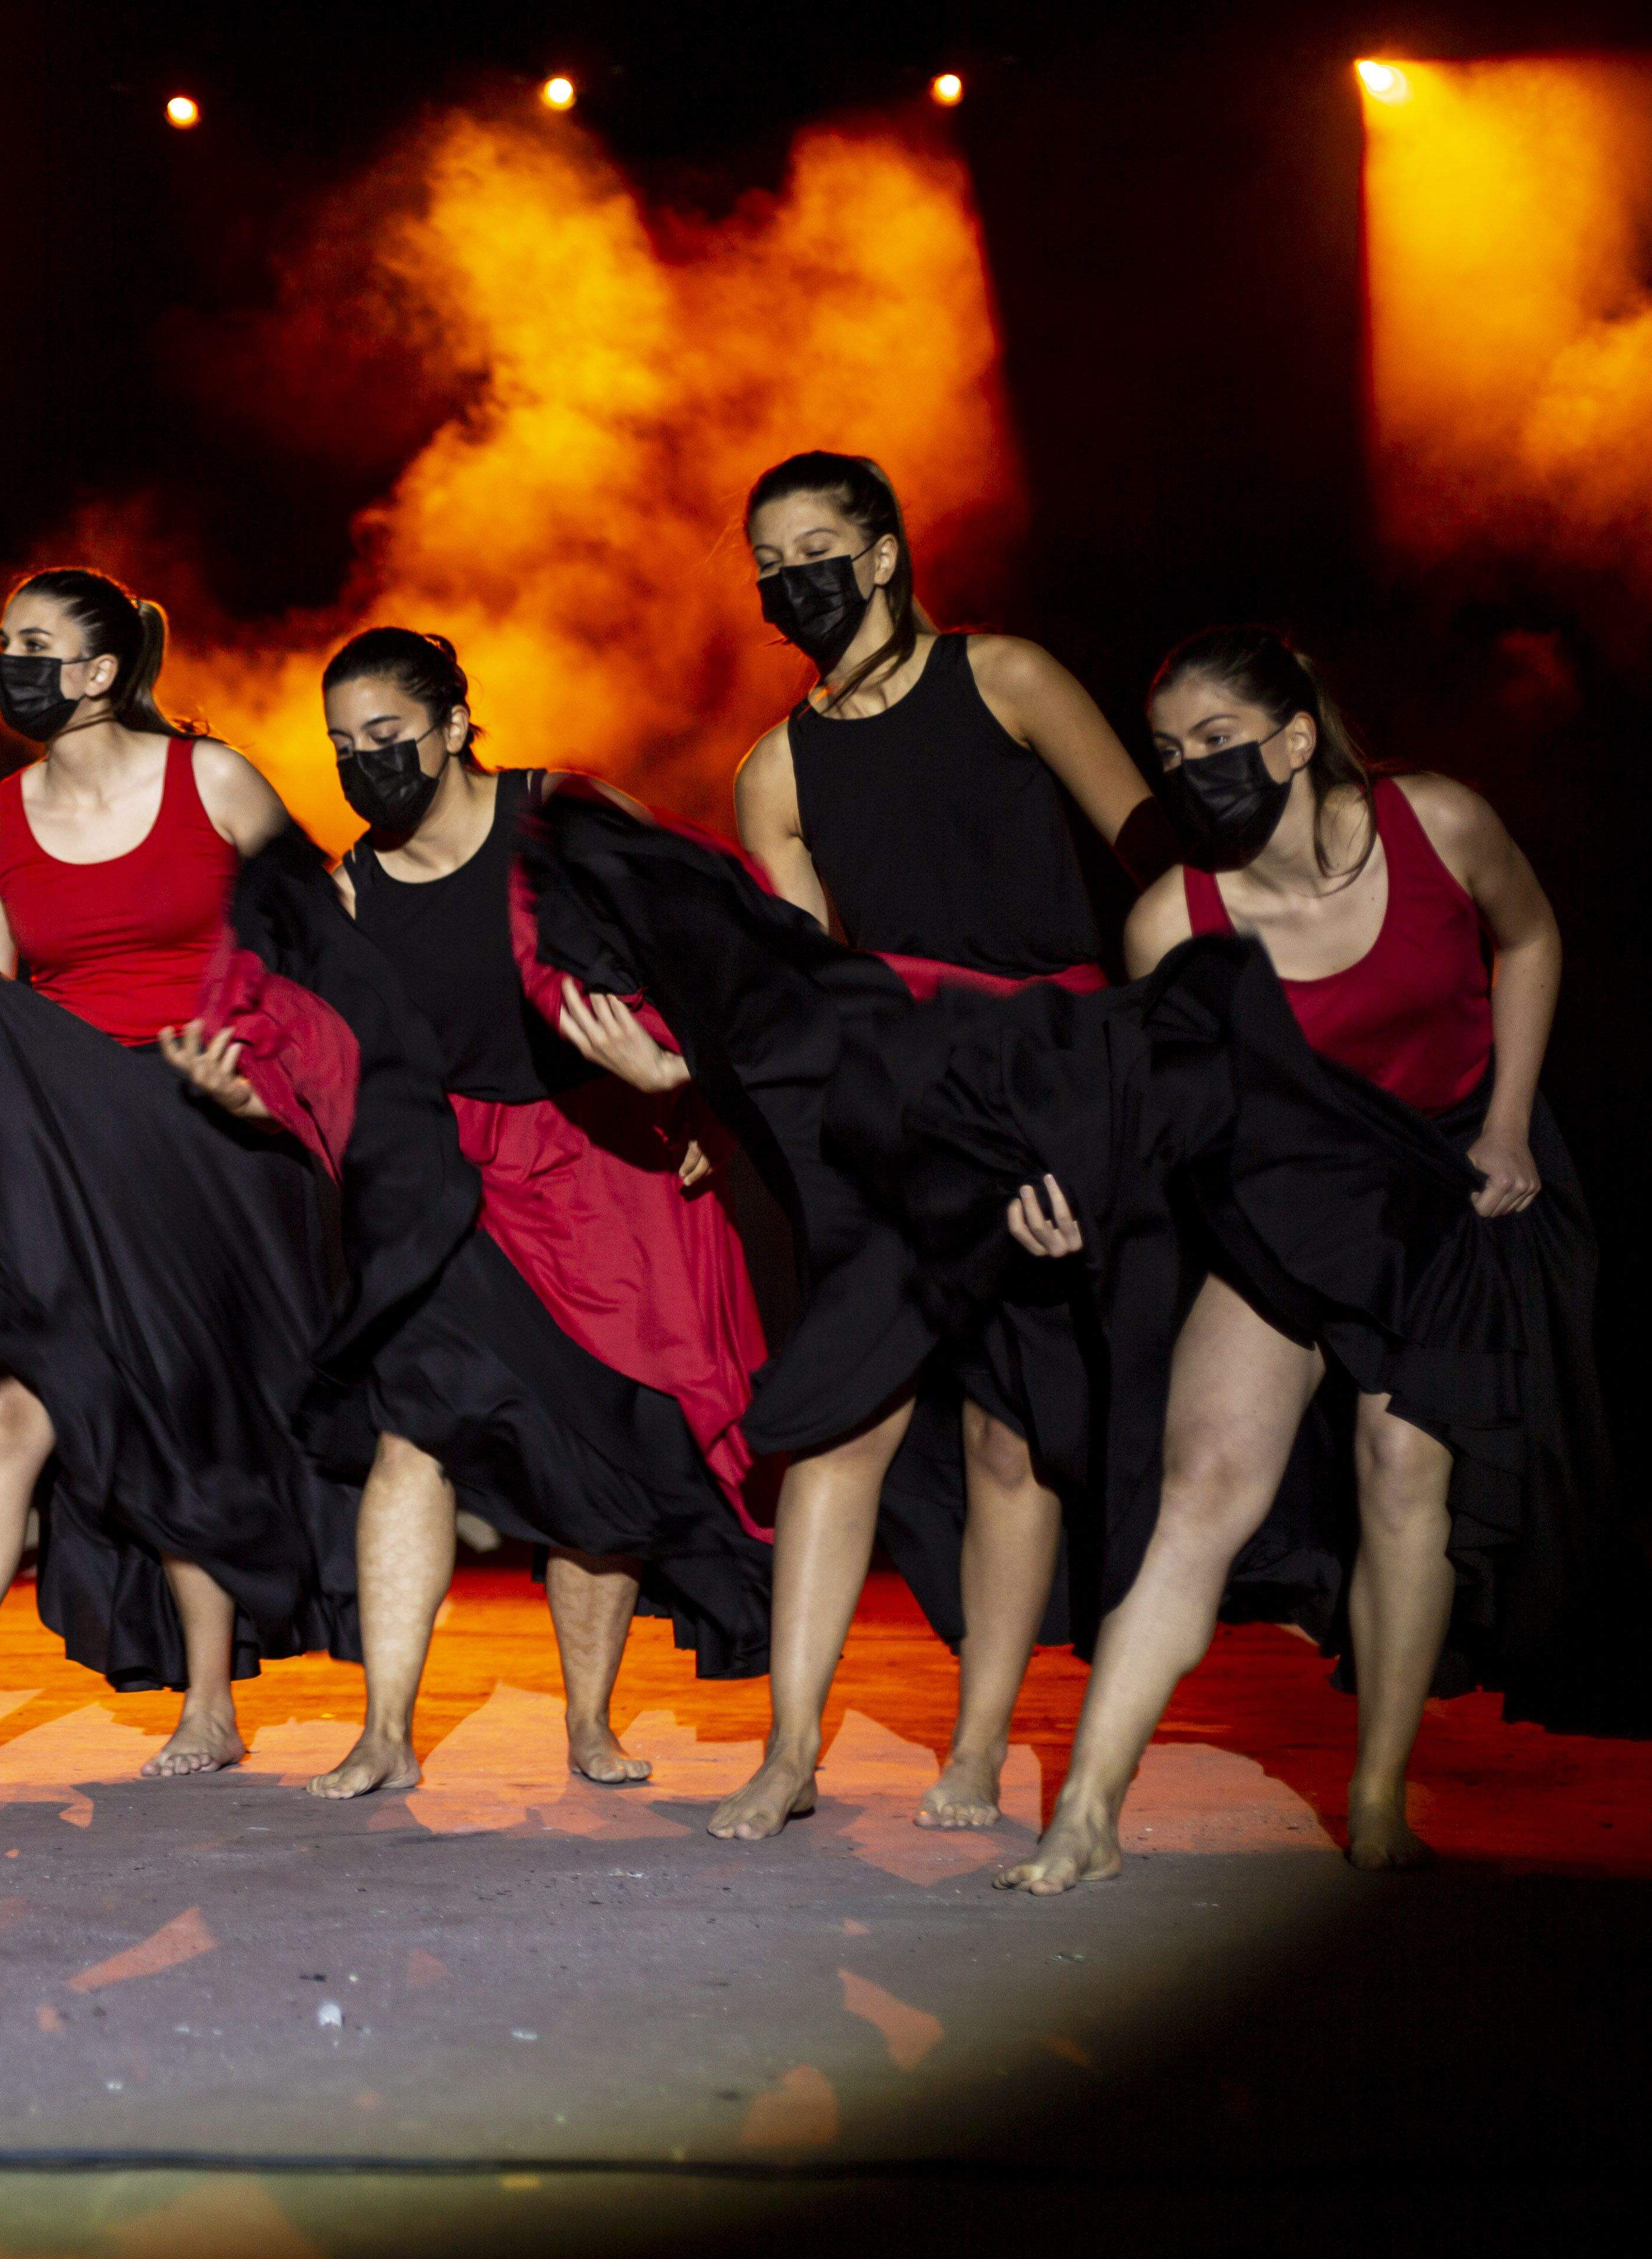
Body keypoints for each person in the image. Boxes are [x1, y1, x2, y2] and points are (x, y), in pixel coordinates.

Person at [985, 628, 1595, 1887]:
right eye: (1168, 756)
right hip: (1286, 1203)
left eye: (1216, 744)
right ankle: (1088, 1811)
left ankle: (1377, 1795)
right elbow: (1140, 1108)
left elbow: (1529, 941)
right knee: (1201, 1486)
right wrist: (1061, 1197)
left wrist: (1506, 1126)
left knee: (1401, 1468)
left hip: (1441, 1194)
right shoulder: (1176, 918)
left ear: (1297, 739)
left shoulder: (1435, 822)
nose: (1192, 771)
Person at [171, 628, 776, 1800]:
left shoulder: (560, 819)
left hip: (602, 1167)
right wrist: (238, 1083)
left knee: (597, 1457)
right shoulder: (352, 887)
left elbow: (718, 949)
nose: (364, 764)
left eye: (387, 738)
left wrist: (694, 1089)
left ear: (454, 726)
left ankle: (591, 1725)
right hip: (449, 1182)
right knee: (415, 1430)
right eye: (343, 748)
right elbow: (310, 1051)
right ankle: (386, 1731)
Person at [676, 451, 1169, 1841]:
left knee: (1009, 1435)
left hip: (1045, 1070)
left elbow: (1149, 842)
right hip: (899, 1093)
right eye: (765, 563)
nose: (789, 581)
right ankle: (786, 1751)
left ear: (883, 553)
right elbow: (798, 981)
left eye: (814, 549)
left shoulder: (1000, 676)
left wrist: (1200, 1019)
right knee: (839, 1422)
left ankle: (971, 1747)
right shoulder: (770, 768)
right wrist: (721, 1101)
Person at [0, 566, 360, 1799]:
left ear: (104, 670)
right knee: (8, 1413)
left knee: (186, 1408)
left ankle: (211, 1705)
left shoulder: (209, 780)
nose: (10, 661)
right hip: (61, 1142)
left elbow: (315, 932)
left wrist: (268, 1068)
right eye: (4, 641)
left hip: (207, 1138)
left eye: (37, 643)